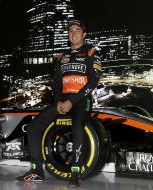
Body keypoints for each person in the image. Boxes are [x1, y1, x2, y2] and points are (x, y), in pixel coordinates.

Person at [16, 20, 101, 187]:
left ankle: (75, 173)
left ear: (83, 35)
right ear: (68, 35)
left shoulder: (92, 53)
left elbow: (93, 81)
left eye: (77, 30)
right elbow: (56, 83)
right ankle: (36, 170)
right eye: (70, 31)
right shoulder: (61, 57)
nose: (74, 33)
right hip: (63, 101)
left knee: (77, 126)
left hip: (82, 100)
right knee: (33, 127)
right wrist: (59, 101)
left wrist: (72, 101)